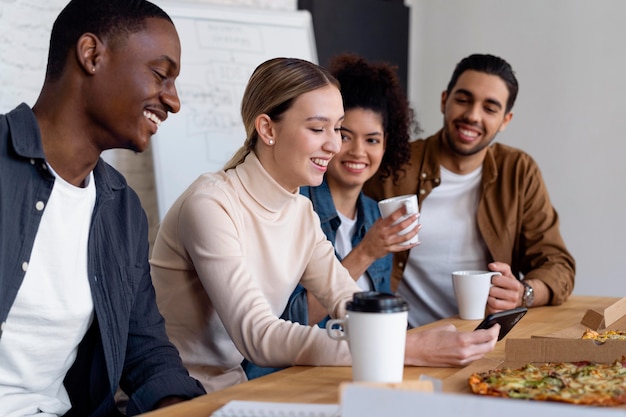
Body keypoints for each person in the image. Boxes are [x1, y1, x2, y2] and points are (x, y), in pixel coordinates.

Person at [151, 56, 499, 394]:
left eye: (336, 128)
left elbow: (347, 301)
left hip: (232, 391)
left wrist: (413, 337)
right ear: (267, 128)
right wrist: (404, 348)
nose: (334, 145)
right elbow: (259, 337)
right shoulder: (211, 204)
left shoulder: (300, 211)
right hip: (178, 398)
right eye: (318, 128)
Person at [0, 1, 206, 415]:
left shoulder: (120, 209)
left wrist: (178, 405)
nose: (174, 101)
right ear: (92, 55)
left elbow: (143, 346)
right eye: (161, 75)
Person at [241, 54, 421, 379]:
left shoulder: (373, 215)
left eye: (372, 140)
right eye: (344, 133)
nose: (353, 150)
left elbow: (371, 312)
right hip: (289, 377)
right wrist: (367, 252)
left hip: (349, 371)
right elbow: (283, 325)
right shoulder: (294, 205)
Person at [364, 53, 576, 328]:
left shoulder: (519, 171)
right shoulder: (395, 164)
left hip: (484, 338)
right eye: (463, 100)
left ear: (505, 120)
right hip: (403, 338)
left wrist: (524, 293)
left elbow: (559, 265)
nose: (472, 116)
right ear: (444, 100)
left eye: (490, 108)